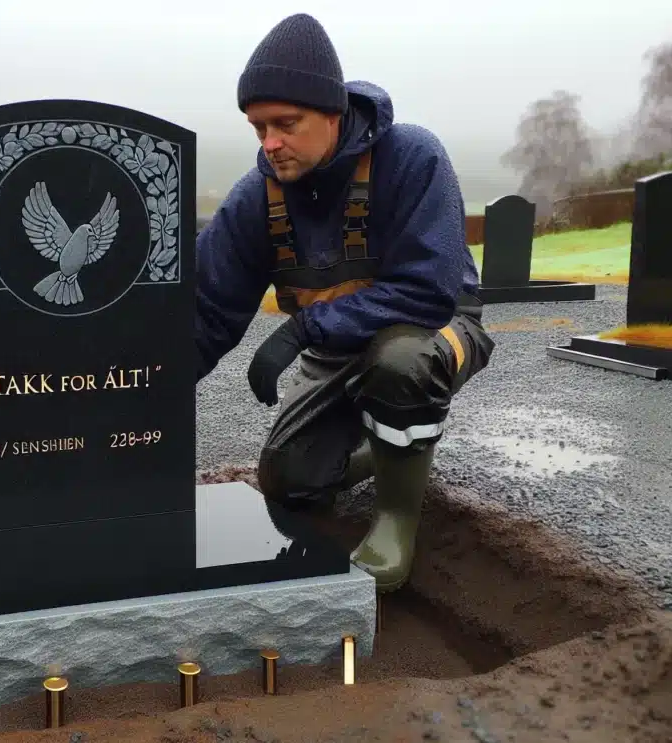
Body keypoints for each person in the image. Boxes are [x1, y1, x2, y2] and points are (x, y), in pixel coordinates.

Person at [194, 12, 496, 593]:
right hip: (339, 352)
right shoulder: (256, 199)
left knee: (401, 365)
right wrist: (138, 402)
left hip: (435, 331)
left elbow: (427, 292)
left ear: (333, 113)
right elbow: (208, 314)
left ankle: (396, 522)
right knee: (289, 482)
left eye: (286, 123)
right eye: (259, 128)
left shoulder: (412, 158)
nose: (271, 143)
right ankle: (383, 447)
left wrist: (302, 329)